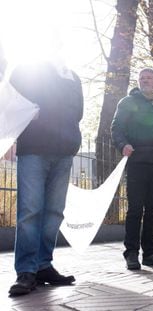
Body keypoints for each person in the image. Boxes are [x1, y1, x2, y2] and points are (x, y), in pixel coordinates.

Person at [8, 61, 83, 296]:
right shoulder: (26, 69)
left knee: (54, 212)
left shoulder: (72, 75)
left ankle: (43, 265)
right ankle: (26, 270)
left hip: (64, 151)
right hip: (33, 148)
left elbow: (78, 112)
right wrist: (10, 136)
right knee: (30, 210)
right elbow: (11, 102)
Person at [111, 68, 153, 270]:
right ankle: (131, 253)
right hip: (137, 162)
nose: (145, 81)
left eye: (149, 78)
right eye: (142, 78)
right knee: (135, 209)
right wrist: (123, 144)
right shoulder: (128, 102)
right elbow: (116, 127)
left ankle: (150, 252)